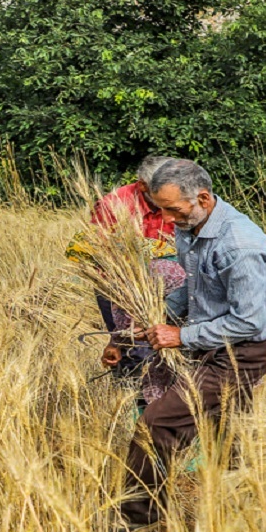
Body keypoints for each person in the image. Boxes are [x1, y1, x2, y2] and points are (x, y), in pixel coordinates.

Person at [116, 159, 266, 532]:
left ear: (203, 198)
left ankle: (137, 521)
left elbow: (250, 322)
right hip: (210, 344)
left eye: (174, 210)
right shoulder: (191, 226)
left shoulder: (240, 245)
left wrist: (181, 337)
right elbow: (196, 290)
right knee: (227, 432)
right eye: (162, 210)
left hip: (241, 353)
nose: (168, 219)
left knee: (157, 423)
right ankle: (245, 517)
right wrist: (158, 319)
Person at [67, 156, 179, 391]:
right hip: (121, 289)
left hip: (169, 287)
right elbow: (99, 253)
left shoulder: (178, 200)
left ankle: (170, 409)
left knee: (170, 349)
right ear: (143, 186)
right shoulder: (114, 205)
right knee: (133, 351)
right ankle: (134, 407)